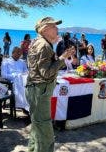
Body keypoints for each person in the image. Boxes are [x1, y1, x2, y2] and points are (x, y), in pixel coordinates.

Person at [26, 17, 73, 152]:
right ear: (45, 29)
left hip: (35, 89)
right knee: (45, 130)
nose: (57, 29)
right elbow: (46, 73)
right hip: (40, 90)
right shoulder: (44, 46)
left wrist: (62, 56)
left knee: (37, 126)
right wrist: (63, 58)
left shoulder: (37, 42)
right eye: (54, 26)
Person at [1, 47, 29, 113]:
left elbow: (26, 72)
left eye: (20, 53)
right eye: (17, 52)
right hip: (12, 82)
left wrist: (22, 76)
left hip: (23, 80)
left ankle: (29, 106)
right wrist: (16, 76)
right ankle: (24, 107)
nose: (19, 54)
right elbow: (4, 75)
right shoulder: (6, 61)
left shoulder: (22, 62)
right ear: (13, 53)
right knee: (22, 87)